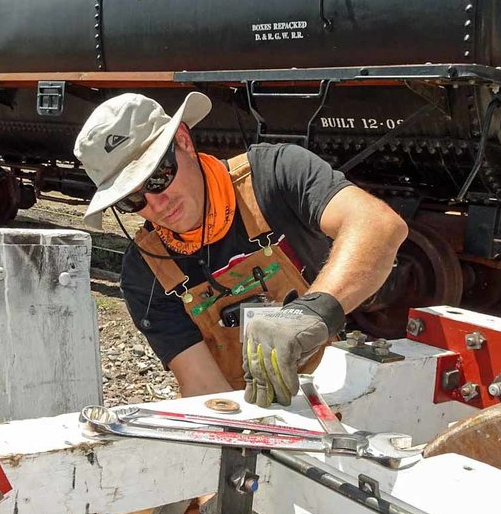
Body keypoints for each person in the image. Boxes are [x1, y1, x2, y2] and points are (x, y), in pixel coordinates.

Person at [74, 91, 409, 407]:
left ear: (184, 142)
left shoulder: (275, 174)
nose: (156, 204)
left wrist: (310, 313)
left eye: (158, 178)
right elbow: (205, 387)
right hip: (247, 411)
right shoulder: (146, 272)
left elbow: (378, 225)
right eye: (133, 200)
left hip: (344, 389)